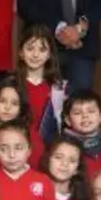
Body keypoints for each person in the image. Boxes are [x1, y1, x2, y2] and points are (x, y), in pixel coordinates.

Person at [14, 25, 66, 161]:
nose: (35, 55)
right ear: (21, 52)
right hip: (19, 150)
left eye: (42, 49)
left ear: (49, 54)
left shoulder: (58, 87)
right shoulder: (12, 85)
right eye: (30, 48)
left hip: (50, 152)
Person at [61, 89, 101, 179]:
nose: (85, 116)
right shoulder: (63, 148)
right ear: (67, 120)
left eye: (91, 111)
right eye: (77, 113)